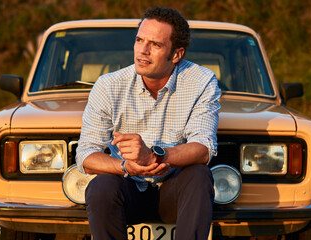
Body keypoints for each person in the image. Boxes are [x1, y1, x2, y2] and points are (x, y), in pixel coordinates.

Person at [76, 6, 221, 240]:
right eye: (139, 40)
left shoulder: (201, 81)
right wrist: (125, 166)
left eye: (155, 44)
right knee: (101, 187)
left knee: (199, 175)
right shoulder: (108, 85)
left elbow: (203, 148)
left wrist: (154, 157)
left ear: (176, 55)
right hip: (126, 189)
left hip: (175, 191)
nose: (142, 51)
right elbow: (85, 154)